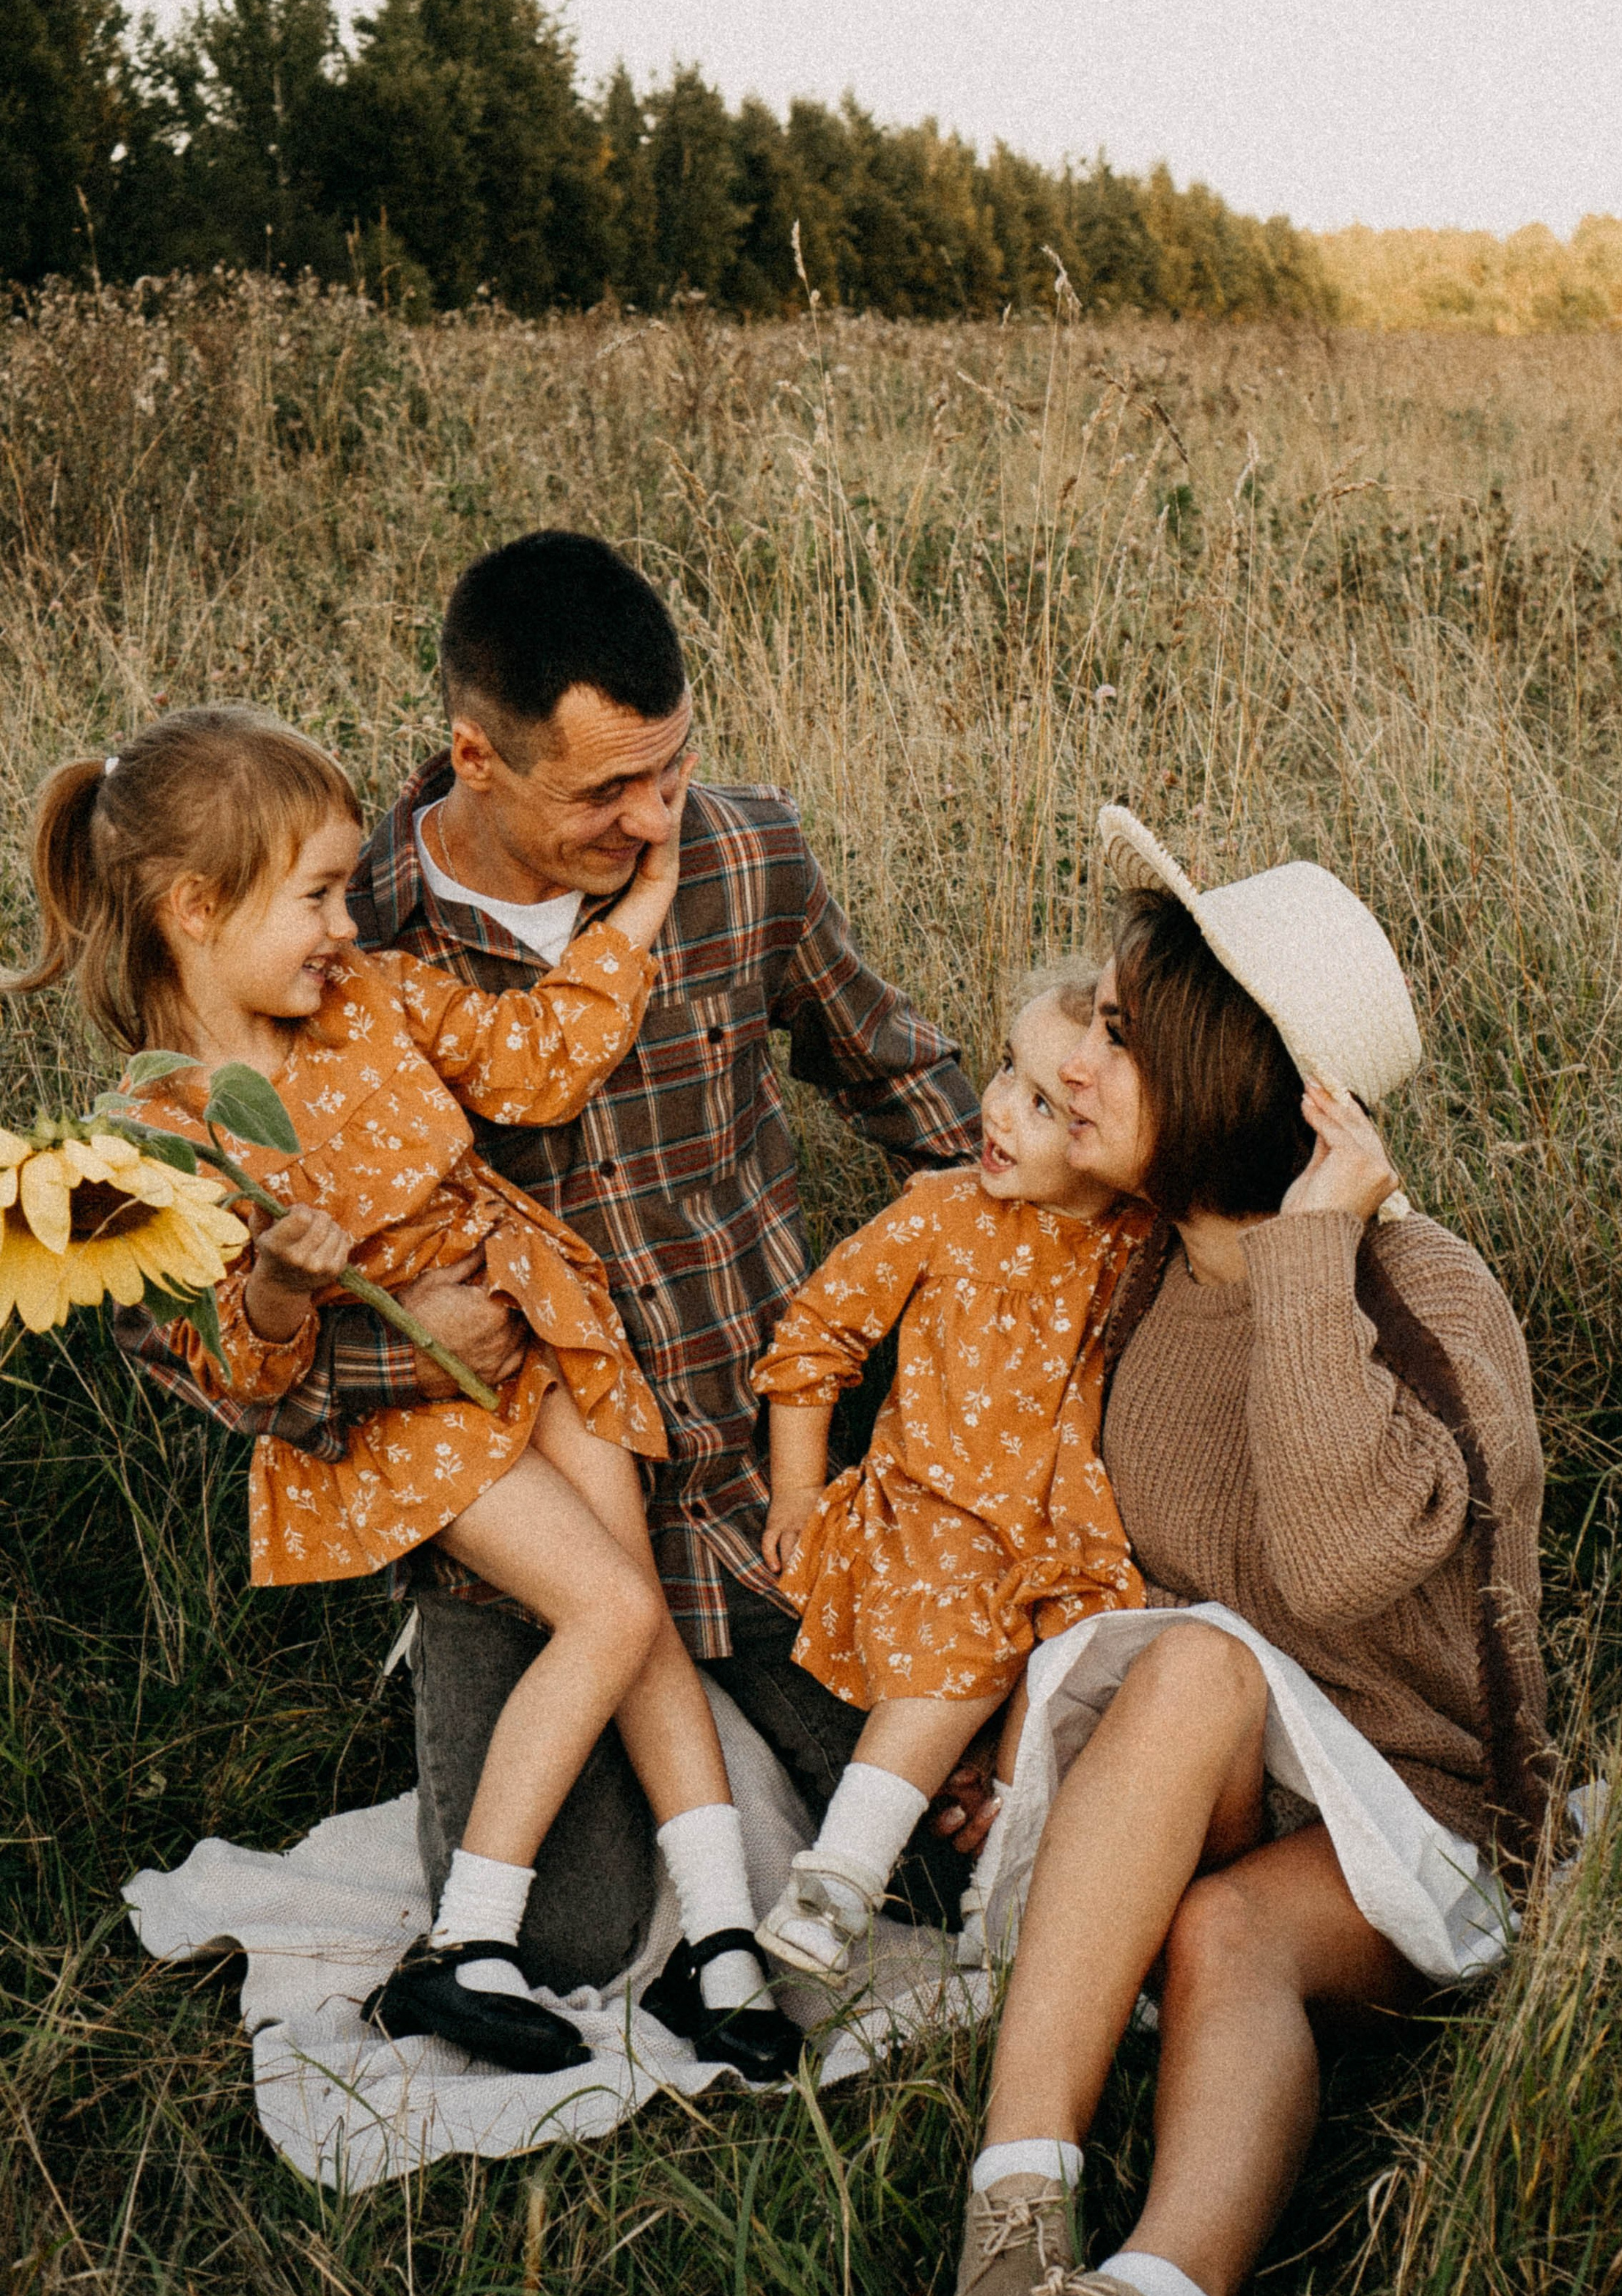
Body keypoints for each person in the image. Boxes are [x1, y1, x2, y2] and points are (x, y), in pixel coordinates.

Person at [114, 534, 983, 2005]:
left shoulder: (740, 850)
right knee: (570, 1939)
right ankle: (538, 1750)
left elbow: (902, 1080)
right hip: (500, 1481)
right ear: (477, 756)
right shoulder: (338, 925)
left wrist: (1043, 1262)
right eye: (602, 792)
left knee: (949, 1844)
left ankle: (751, 1742)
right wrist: (422, 1341)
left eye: (672, 767)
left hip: (750, 1470)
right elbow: (193, 1349)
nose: (654, 820)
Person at [878, 804, 1550, 2296]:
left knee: (1222, 1923)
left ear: (1235, 1086)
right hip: (1224, 1775)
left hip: (1430, 1816)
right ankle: (1015, 2240)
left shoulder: (1420, 1298)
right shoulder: (1130, 1277)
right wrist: (1007, 1749)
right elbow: (1069, 1535)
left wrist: (1313, 1245)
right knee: (1180, 1680)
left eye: (1125, 1030)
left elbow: (1323, 1577)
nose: (1082, 1052)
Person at [20, 704, 800, 2083]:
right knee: (610, 1609)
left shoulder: (372, 997)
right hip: (409, 1425)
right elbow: (241, 1377)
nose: (345, 918)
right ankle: (471, 1945)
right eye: (316, 894)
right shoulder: (151, 1147)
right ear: (199, 909)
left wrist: (660, 892)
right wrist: (276, 1290)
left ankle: (720, 1946)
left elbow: (540, 1061)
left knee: (644, 1611)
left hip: (540, 1324)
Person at [749, 961, 1152, 1984]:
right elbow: (817, 1337)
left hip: (1061, 1540)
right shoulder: (943, 1212)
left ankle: (1004, 1907)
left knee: (1077, 1671)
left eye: (1049, 1109)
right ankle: (838, 1879)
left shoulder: (1133, 1243)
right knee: (968, 1628)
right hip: (931, 1515)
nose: (1004, 1115)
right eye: (1009, 1076)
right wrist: (798, 1488)